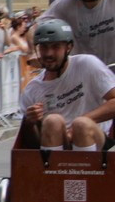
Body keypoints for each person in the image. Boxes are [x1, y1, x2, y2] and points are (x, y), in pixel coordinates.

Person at [20, 19, 115, 151]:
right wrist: (31, 122)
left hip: (95, 139)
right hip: (58, 142)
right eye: (44, 47)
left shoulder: (87, 64)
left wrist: (76, 125)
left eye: (55, 47)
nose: (49, 53)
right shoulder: (32, 89)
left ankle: (86, 169)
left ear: (68, 47)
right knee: (53, 121)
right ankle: (53, 169)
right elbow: (31, 144)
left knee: (81, 125)